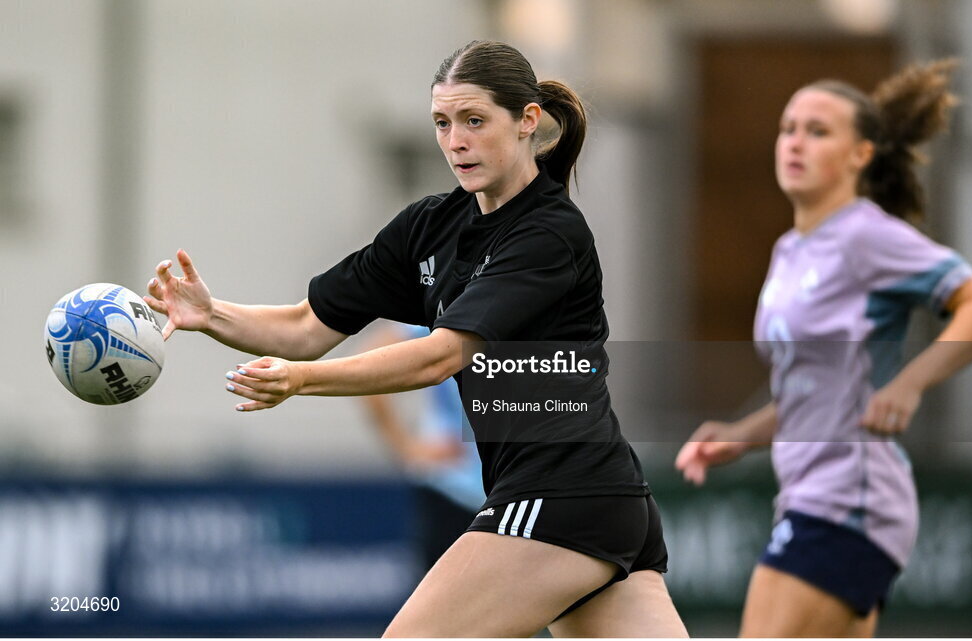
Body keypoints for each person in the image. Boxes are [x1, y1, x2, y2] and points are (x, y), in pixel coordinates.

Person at [145, 40, 687, 638]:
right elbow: (304, 327)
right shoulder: (430, 226)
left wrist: (300, 382)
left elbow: (443, 354)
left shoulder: (549, 232)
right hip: (602, 502)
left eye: (474, 121)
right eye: (442, 122)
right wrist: (210, 313)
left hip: (559, 498)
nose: (455, 140)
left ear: (527, 120)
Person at [675, 59, 972, 637]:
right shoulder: (789, 250)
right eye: (788, 128)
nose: (795, 142)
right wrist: (742, 435)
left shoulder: (865, 234)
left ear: (861, 155)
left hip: (848, 502)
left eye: (818, 130)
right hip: (811, 494)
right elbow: (818, 386)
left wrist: (909, 382)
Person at [359, 321, 486, 572]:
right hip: (454, 489)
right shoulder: (452, 300)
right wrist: (408, 448)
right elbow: (371, 359)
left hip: (516, 490)